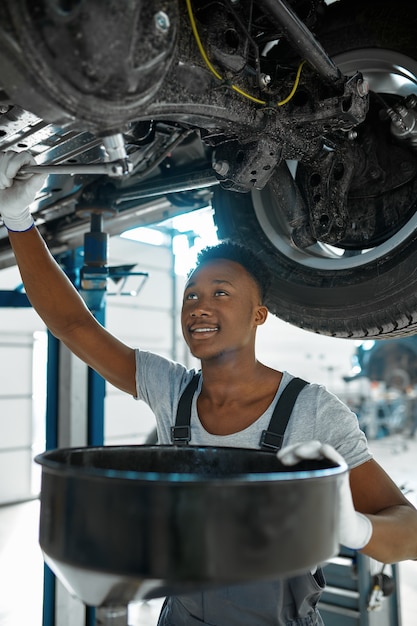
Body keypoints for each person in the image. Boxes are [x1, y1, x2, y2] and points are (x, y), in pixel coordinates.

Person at [1, 149, 417, 625]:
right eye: (192, 294)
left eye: (221, 293)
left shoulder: (313, 412)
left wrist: (356, 527)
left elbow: (411, 531)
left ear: (258, 315)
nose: (200, 305)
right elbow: (74, 325)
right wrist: (19, 222)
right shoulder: (171, 391)